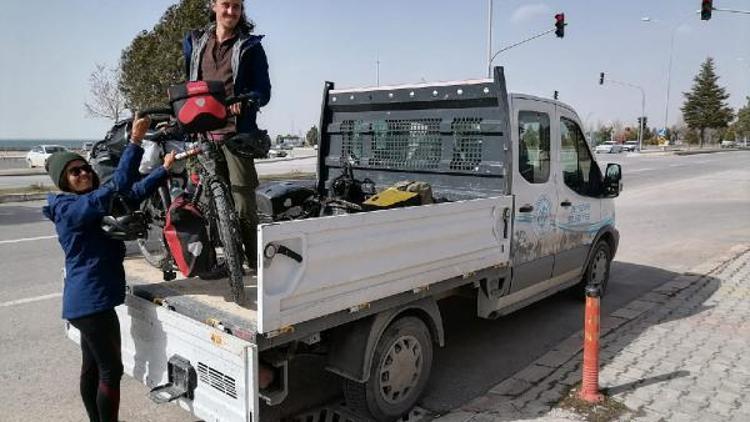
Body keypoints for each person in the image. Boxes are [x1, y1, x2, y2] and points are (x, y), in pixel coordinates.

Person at [43, 117, 175, 422]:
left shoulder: (91, 202)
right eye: (74, 172)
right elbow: (118, 184)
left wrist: (164, 170)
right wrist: (134, 143)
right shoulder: (68, 209)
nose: (83, 173)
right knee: (110, 370)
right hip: (91, 304)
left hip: (88, 303)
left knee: (92, 366)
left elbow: (132, 192)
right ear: (63, 180)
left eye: (85, 168)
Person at [183, 0, 271, 270]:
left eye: (236, 6)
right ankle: (224, 260)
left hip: (237, 135)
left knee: (243, 201)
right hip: (203, 135)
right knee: (209, 202)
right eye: (226, 5)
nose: (231, 11)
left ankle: (255, 261)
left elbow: (263, 91)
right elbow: (190, 84)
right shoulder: (195, 43)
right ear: (213, 5)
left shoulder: (250, 47)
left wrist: (245, 101)